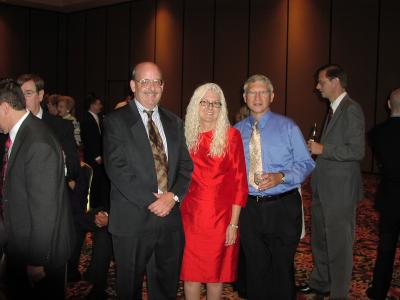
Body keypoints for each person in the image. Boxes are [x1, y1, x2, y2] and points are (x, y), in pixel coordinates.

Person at [103, 61, 193, 300]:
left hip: (170, 221)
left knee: (166, 287)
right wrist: (153, 201)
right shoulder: (115, 121)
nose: (152, 87)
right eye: (145, 81)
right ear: (133, 85)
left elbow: (186, 167)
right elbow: (117, 169)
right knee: (129, 288)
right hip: (133, 221)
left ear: (163, 86)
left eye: (157, 82)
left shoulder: (174, 122)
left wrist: (172, 197)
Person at [234, 74, 315, 299]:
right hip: (250, 209)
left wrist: (281, 176)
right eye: (252, 92)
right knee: (255, 268)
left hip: (283, 207)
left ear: (272, 96)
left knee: (281, 268)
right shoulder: (236, 132)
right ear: (244, 97)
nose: (257, 97)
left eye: (263, 92)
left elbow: (307, 163)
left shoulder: (288, 127)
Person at [0, 78, 75, 299]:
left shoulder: (36, 141)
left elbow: (45, 208)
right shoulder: (23, 133)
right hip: (21, 243)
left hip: (41, 253)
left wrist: (36, 259)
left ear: (5, 107)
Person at [180, 83, 248, 299]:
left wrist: (234, 223)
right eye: (205, 102)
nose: (210, 107)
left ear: (222, 108)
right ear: (195, 105)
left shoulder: (231, 136)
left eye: (216, 104)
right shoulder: (183, 135)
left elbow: (239, 182)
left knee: (215, 277)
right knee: (190, 276)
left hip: (220, 219)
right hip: (188, 218)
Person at [305, 64, 365, 299]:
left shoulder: (351, 109)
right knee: (320, 240)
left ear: (336, 81)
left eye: (321, 82)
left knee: (339, 247)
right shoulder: (333, 109)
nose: (317, 87)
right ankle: (321, 282)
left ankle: (339, 294)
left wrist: (323, 148)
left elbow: (357, 151)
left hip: (340, 193)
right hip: (324, 188)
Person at [16, 74, 80, 191]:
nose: (22, 99)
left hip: (49, 196)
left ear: (40, 95)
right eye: (19, 94)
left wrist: (59, 161)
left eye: (28, 93)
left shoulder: (60, 127)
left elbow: (74, 168)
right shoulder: (8, 128)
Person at [366, 88, 400, 300]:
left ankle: (378, 290)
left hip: (389, 198)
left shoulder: (376, 133)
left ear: (389, 105)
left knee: (386, 248)